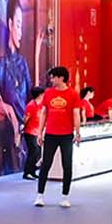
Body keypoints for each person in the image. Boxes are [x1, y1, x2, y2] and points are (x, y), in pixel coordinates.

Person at [33, 66, 82, 208]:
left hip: (66, 135)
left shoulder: (73, 94)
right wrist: (40, 132)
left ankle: (65, 196)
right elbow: (44, 113)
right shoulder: (48, 93)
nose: (51, 79)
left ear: (61, 78)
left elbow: (76, 114)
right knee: (46, 164)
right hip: (50, 134)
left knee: (67, 165)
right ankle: (40, 195)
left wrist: (77, 132)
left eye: (53, 77)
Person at [21, 85, 45, 180]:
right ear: (39, 95)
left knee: (38, 152)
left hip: (38, 132)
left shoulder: (42, 105)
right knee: (33, 152)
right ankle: (27, 172)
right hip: (30, 132)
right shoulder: (31, 105)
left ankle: (33, 171)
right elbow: (25, 119)